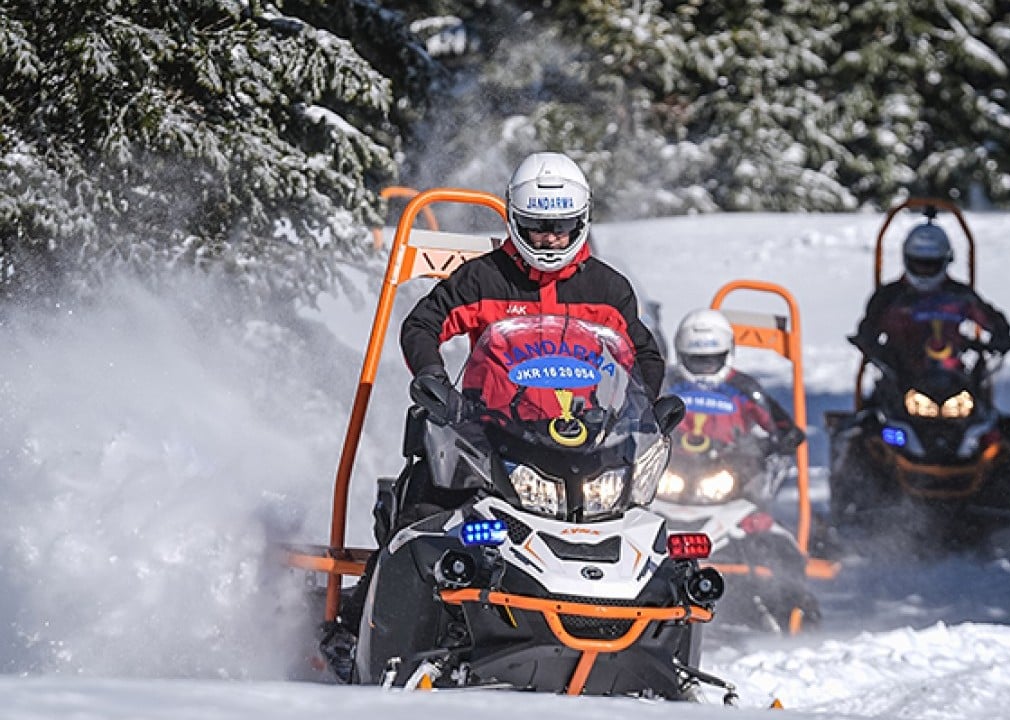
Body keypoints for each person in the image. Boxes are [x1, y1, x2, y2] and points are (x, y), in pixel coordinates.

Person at [321, 151, 666, 680]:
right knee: (420, 515)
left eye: (562, 227)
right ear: (514, 220)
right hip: (488, 438)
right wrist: (434, 379)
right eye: (537, 227)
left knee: (636, 528)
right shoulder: (484, 278)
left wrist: (642, 413)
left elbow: (643, 355)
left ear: (583, 221)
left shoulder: (608, 289)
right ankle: (359, 628)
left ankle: (634, 647)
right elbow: (423, 323)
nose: (551, 239)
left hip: (584, 446)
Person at [848, 219, 1010, 389]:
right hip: (900, 380)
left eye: (931, 266)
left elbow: (986, 316)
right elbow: (869, 327)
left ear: (945, 262)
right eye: (919, 265)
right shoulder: (889, 297)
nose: (924, 272)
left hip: (954, 378)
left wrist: (1000, 335)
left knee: (985, 407)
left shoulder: (960, 295)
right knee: (874, 412)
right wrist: (869, 343)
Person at [665, 308, 805, 500]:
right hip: (671, 471)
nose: (705, 369)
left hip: (732, 476)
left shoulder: (744, 389)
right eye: (697, 361)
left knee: (758, 523)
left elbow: (777, 422)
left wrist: (783, 438)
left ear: (727, 354)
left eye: (712, 360)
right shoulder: (666, 384)